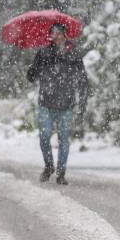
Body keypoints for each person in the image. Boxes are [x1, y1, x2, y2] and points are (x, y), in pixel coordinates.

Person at [27, 23, 89, 185]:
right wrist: (34, 68)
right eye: (53, 33)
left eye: (59, 33)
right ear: (50, 36)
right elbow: (31, 76)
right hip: (46, 103)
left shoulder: (73, 53)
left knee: (64, 140)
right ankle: (49, 166)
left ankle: (61, 173)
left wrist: (82, 102)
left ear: (64, 35)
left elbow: (82, 79)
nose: (57, 36)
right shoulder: (43, 53)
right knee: (44, 136)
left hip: (66, 104)